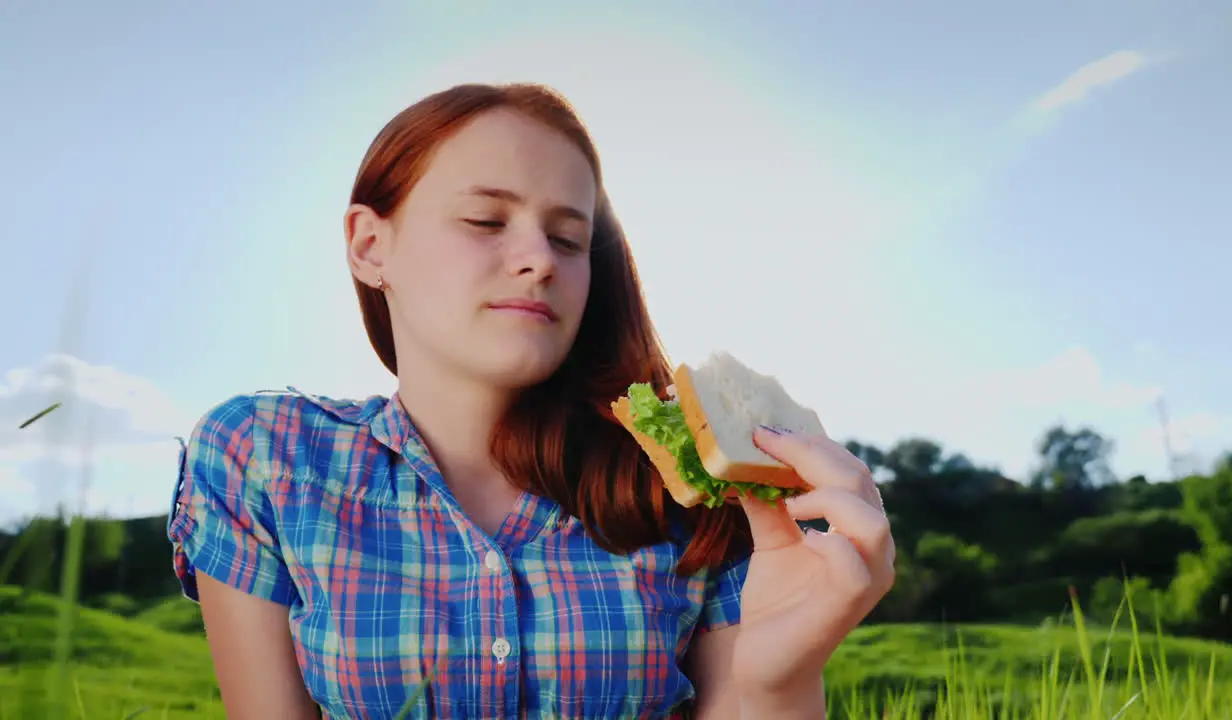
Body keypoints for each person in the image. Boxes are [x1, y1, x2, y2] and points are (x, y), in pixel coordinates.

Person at [165, 81, 896, 720]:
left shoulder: (697, 492)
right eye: (487, 221)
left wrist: (778, 685)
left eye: (569, 238)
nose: (540, 259)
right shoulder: (266, 456)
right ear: (369, 245)